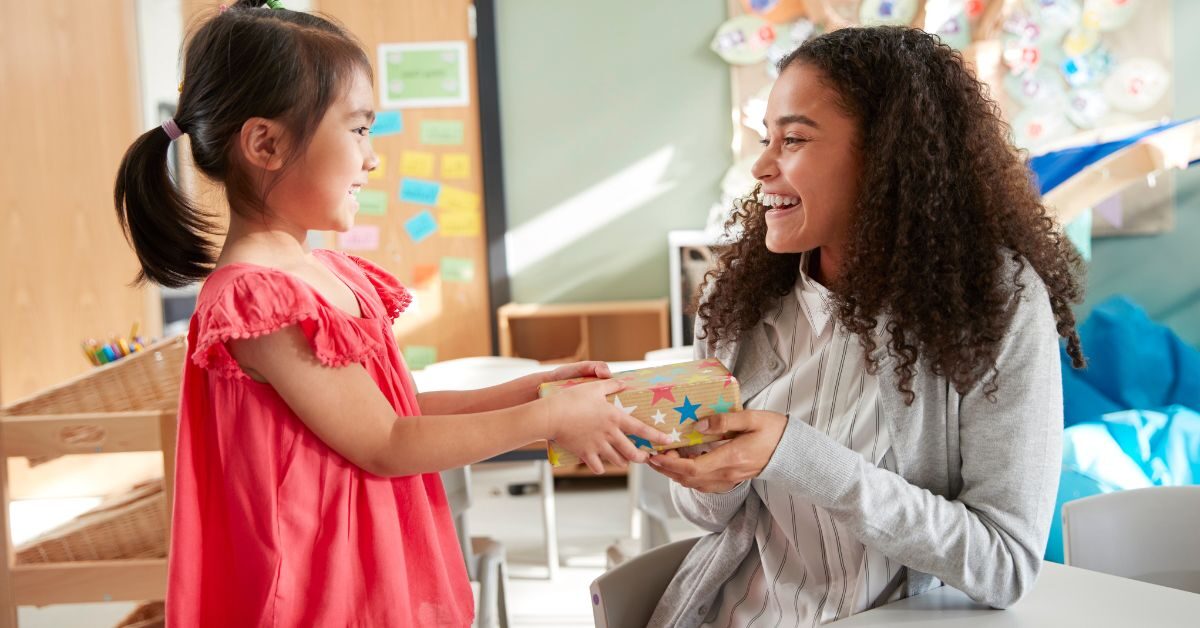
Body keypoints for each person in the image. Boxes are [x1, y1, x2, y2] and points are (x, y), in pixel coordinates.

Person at [113, 2, 668, 624]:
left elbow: (392, 410)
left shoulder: (326, 272)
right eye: (357, 130)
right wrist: (545, 419)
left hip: (373, 564)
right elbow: (386, 442)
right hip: (321, 589)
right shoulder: (257, 301)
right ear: (265, 143)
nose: (372, 158)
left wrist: (533, 391)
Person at [647, 26, 1086, 627]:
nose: (761, 165)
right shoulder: (737, 298)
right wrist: (705, 470)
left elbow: (1003, 565)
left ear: (884, 155)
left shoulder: (995, 304)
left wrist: (794, 454)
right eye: (765, 138)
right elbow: (706, 516)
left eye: (794, 139)